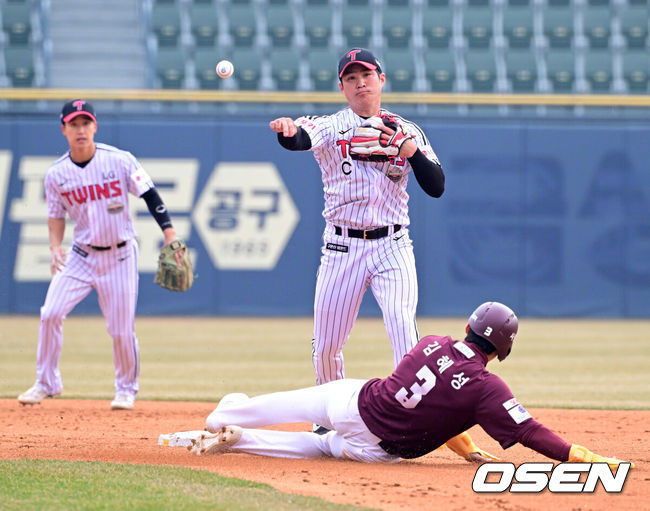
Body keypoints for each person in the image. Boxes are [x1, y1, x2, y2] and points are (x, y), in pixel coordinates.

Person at [188, 302, 632, 470]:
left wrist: (464, 448)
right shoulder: (487, 388)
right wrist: (582, 456)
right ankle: (243, 440)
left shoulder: (433, 342)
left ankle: (231, 417)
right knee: (322, 448)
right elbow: (530, 432)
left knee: (281, 408)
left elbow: (435, 395)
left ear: (468, 327)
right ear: (501, 349)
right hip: (378, 449)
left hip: (351, 402)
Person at [269, 49, 445, 432]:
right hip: (341, 246)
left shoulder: (406, 129)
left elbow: (437, 186)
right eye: (351, 77)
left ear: (382, 79)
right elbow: (300, 138)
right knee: (327, 345)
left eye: (366, 74)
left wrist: (410, 152)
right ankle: (328, 418)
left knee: (402, 327)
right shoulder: (332, 126)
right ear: (342, 87)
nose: (360, 82)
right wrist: (288, 132)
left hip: (393, 244)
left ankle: (410, 417)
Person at [18, 99, 184, 410]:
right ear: (63, 129)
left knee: (120, 329)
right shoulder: (56, 174)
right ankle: (46, 382)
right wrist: (55, 246)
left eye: (85, 123)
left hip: (120, 255)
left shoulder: (120, 161)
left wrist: (170, 233)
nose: (80, 130)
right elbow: (55, 216)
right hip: (80, 255)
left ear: (95, 126)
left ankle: (125, 389)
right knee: (50, 313)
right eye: (73, 124)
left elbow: (150, 194)